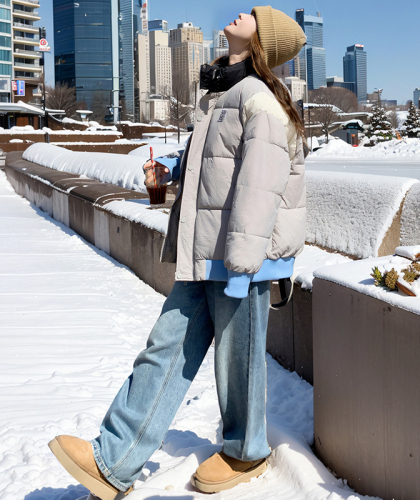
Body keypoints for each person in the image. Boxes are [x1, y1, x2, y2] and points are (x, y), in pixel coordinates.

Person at [48, 6, 306, 499]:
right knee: (164, 349)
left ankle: (245, 452)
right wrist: (173, 172)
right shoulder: (223, 92)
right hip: (205, 248)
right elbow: (217, 164)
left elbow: (260, 187)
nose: (239, 12)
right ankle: (114, 460)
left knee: (239, 361)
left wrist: (243, 267)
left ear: (262, 42)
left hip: (240, 258)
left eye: (251, 15)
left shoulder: (259, 98)